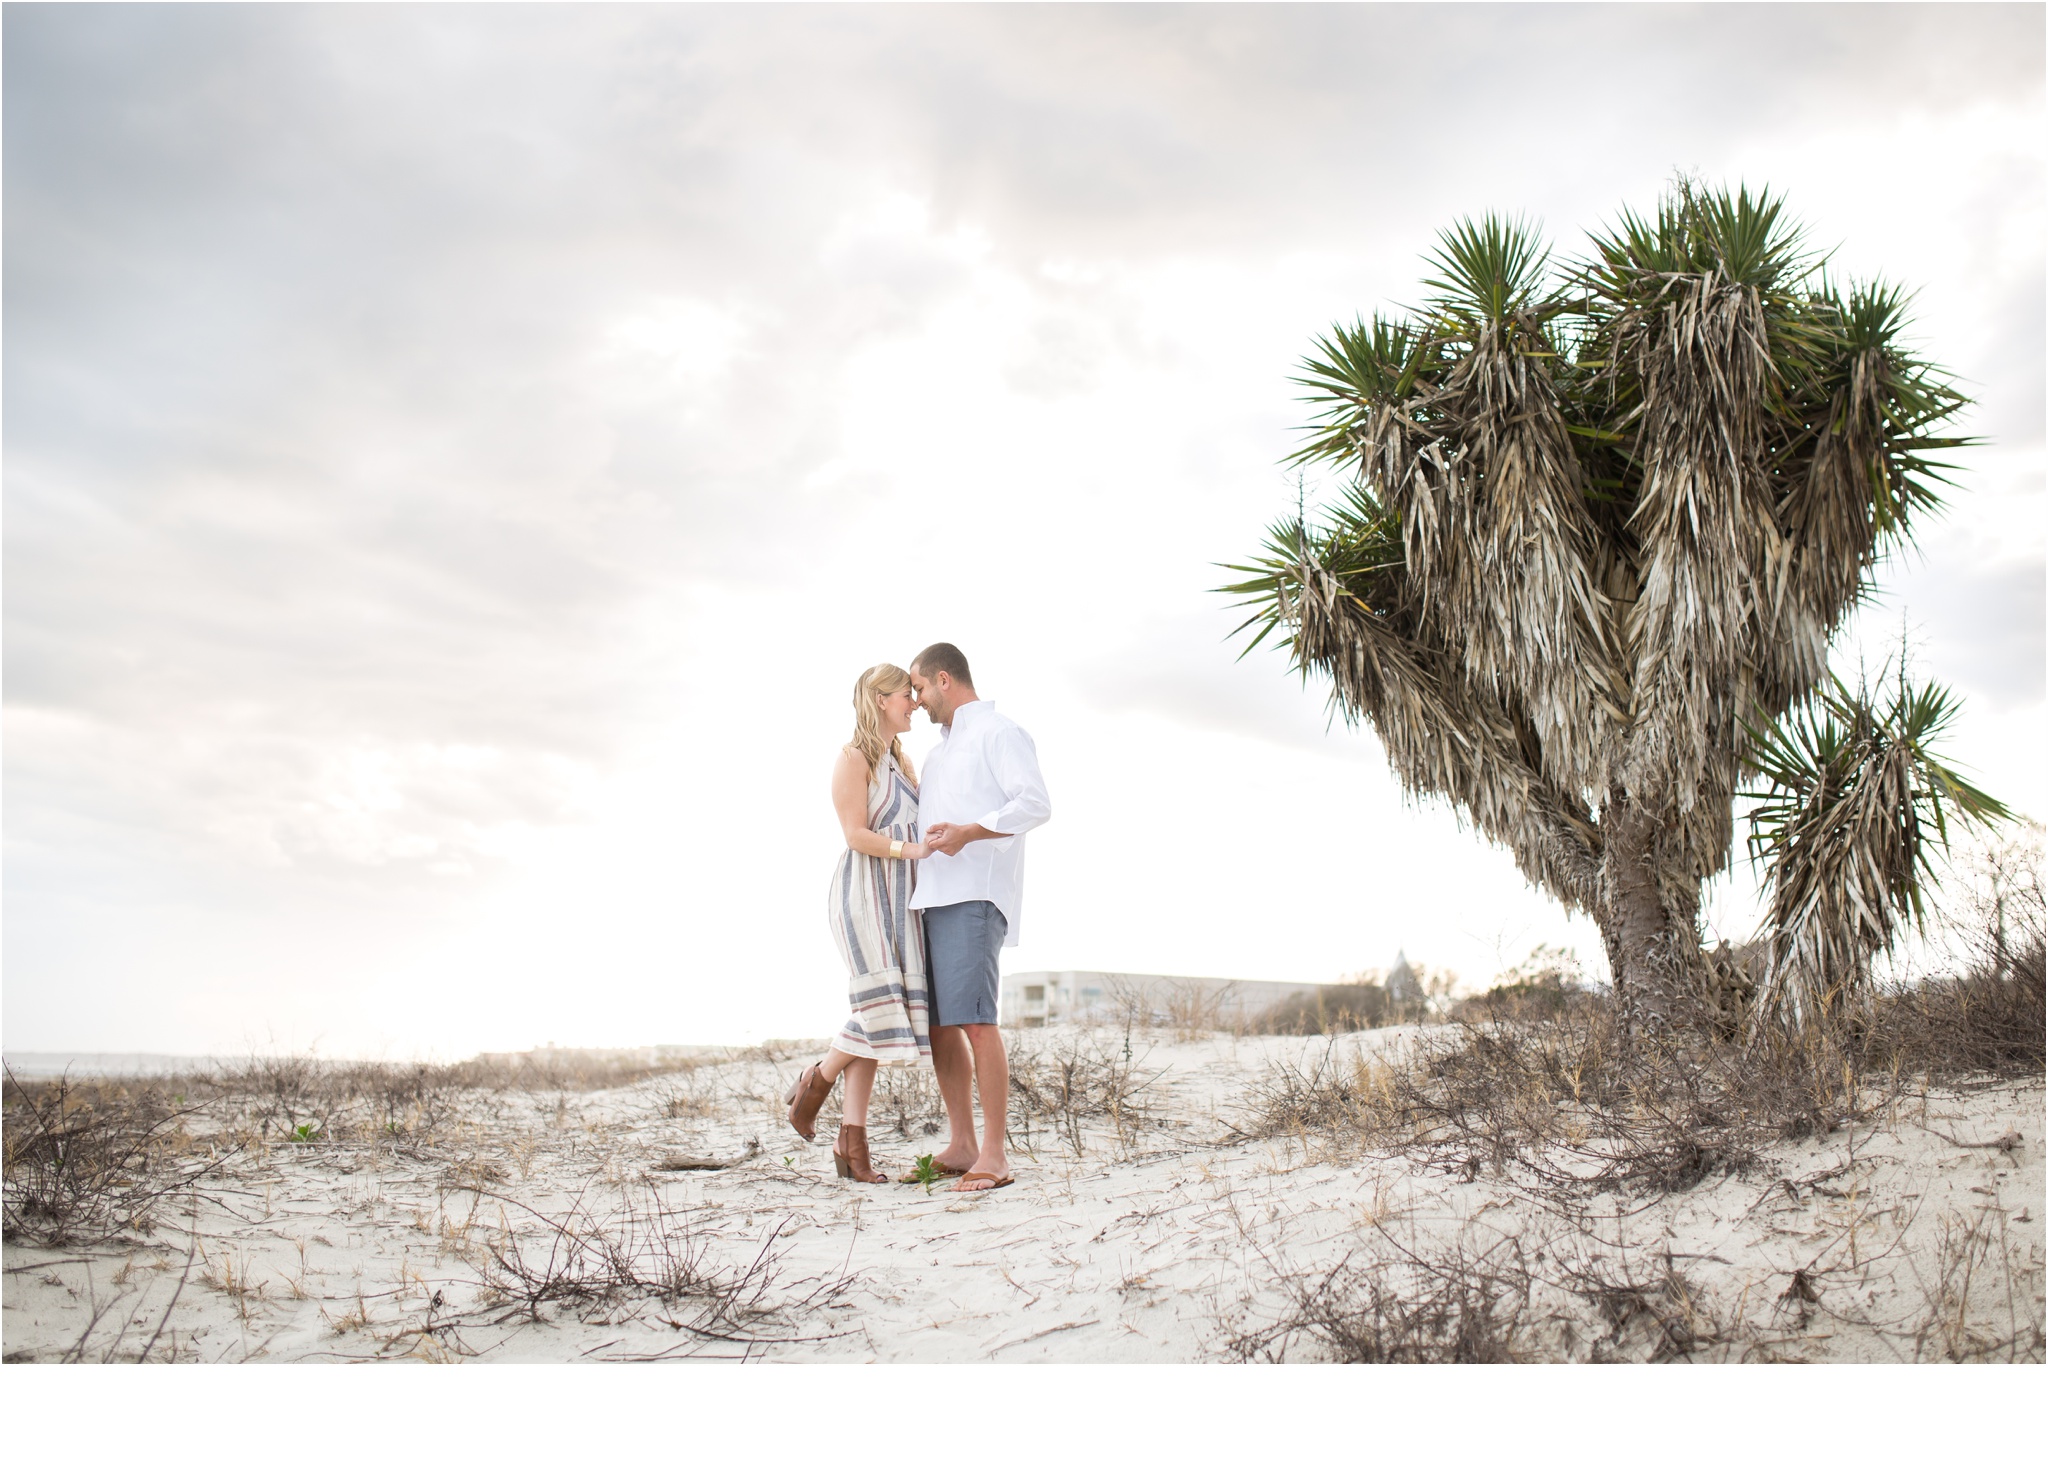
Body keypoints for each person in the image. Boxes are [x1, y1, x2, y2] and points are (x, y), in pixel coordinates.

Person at [906, 642, 1050, 1193]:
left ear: (945, 679)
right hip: (932, 898)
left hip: (975, 894)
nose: (917, 701)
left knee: (976, 1021)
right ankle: (962, 1143)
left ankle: (995, 1154)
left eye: (919, 688)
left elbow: (1035, 803)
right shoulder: (938, 753)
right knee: (941, 1026)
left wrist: (970, 830)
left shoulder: (1000, 733)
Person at [784, 663, 932, 1183]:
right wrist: (912, 848)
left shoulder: (902, 763)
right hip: (864, 895)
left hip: (902, 899)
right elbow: (854, 834)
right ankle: (816, 1087)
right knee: (877, 1007)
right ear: (880, 699)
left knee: (879, 1010)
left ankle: (849, 1141)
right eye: (905, 695)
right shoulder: (853, 759)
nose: (914, 702)